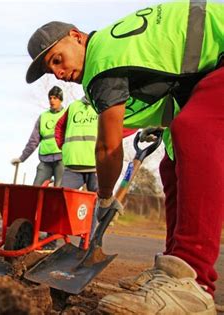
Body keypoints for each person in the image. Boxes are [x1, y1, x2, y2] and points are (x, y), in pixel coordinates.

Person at [25, 1, 222, 314]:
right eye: (53, 70)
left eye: (57, 60)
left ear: (76, 37)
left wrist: (104, 197)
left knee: (193, 127)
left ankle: (192, 281)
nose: (59, 74)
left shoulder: (102, 61)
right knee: (173, 165)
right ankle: (172, 273)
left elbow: (107, 148)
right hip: (206, 74)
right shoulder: (116, 49)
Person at [11, 86, 66, 187]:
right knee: (36, 187)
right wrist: (22, 158)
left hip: (62, 159)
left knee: (59, 190)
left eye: (55, 98)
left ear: (60, 100)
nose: (52, 100)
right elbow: (33, 141)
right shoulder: (43, 116)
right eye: (50, 98)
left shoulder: (66, 114)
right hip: (45, 160)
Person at [55, 96, 98, 192]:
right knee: (61, 199)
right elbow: (59, 126)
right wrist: (63, 145)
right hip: (72, 165)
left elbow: (119, 126)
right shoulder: (73, 106)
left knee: (101, 202)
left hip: (97, 166)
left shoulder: (104, 105)